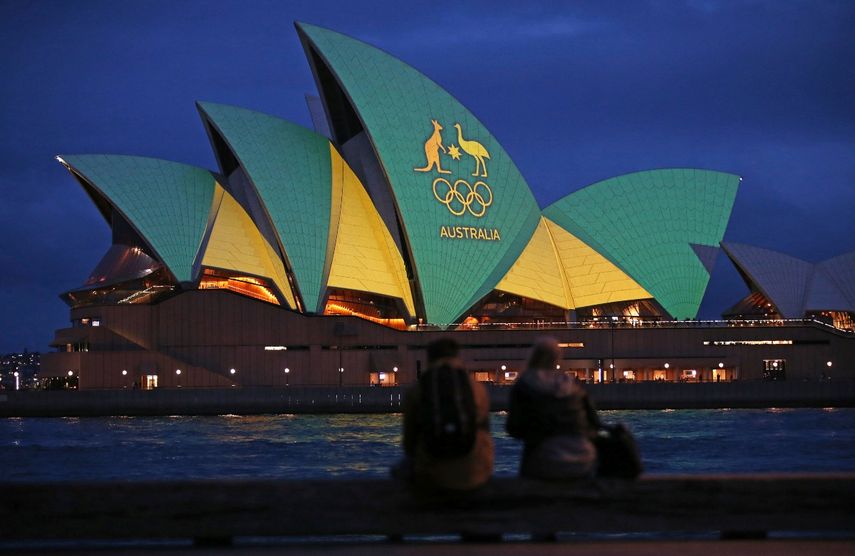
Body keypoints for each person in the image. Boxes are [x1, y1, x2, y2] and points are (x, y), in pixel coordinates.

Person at [396, 338, 493, 490]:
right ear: (457, 357)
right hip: (473, 475)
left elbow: (409, 442)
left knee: (399, 469)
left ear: (430, 358)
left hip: (432, 475)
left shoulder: (417, 389)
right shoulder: (477, 389)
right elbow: (486, 432)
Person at [506, 337, 600, 480]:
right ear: (557, 359)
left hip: (546, 461)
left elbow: (514, 428)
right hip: (584, 460)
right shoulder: (572, 386)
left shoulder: (525, 385)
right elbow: (594, 423)